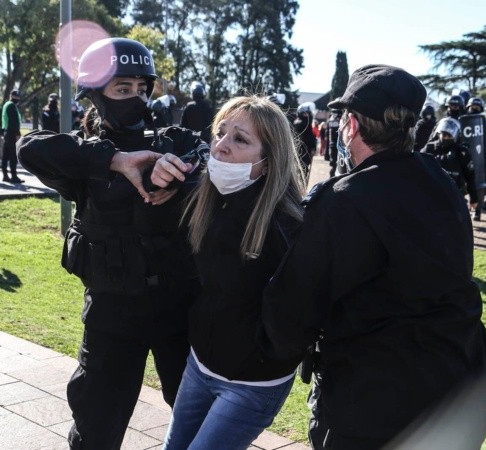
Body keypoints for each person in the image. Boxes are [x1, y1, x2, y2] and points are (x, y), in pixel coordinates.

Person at [260, 64, 486, 450]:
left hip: (377, 407)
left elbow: (291, 311)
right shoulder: (440, 181)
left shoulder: (344, 200)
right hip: (462, 392)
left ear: (351, 125)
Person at [16, 37, 206, 450]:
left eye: (141, 88)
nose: (135, 99)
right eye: (122, 89)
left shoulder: (173, 141)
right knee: (96, 427)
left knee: (199, 426)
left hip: (178, 309)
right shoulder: (85, 155)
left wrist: (180, 177)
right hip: (112, 313)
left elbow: (215, 161)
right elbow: (28, 149)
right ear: (96, 96)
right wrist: (113, 160)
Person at [150, 96, 304, 450]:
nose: (221, 146)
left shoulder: (288, 227)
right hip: (199, 365)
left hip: (253, 383)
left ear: (269, 161)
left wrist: (261, 353)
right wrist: (157, 176)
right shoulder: (205, 197)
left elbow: (300, 317)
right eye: (220, 132)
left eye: (240, 139)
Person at [421, 117, 478, 218]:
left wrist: (473, 198)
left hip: (455, 196)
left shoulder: (462, 153)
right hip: (432, 195)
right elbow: (418, 170)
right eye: (444, 135)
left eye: (449, 135)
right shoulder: (429, 148)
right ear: (438, 133)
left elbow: (470, 176)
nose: (445, 138)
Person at [1, 89, 23, 183]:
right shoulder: (11, 106)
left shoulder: (7, 104)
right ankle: (14, 176)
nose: (17, 98)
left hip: (7, 132)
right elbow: (13, 121)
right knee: (13, 155)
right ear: (11, 96)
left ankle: (5, 175)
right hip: (11, 133)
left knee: (6, 155)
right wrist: (17, 134)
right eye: (15, 96)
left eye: (18, 96)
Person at [293, 103, 317, 184]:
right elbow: (309, 136)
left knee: (299, 167)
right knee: (304, 168)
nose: (308, 115)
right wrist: (313, 146)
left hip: (297, 148)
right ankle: (302, 184)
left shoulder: (296, 122)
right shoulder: (306, 123)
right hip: (305, 148)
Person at [326, 109, 341, 176]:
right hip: (335, 145)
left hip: (334, 145)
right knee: (335, 165)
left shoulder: (330, 120)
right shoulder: (333, 121)